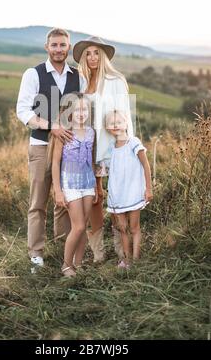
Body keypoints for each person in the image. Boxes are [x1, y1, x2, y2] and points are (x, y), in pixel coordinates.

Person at [16, 28, 85, 273]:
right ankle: (36, 254)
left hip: (71, 150)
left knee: (66, 200)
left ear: (69, 47)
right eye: (54, 45)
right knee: (38, 202)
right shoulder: (33, 74)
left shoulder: (79, 76)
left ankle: (63, 250)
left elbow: (86, 111)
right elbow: (23, 111)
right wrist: (50, 126)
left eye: (62, 45)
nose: (58, 49)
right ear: (47, 47)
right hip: (41, 146)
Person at [72, 36, 133, 262]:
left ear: (103, 55)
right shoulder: (81, 83)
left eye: (96, 52)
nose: (92, 57)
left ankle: (122, 252)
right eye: (88, 54)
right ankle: (98, 252)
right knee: (95, 200)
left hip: (112, 149)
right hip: (88, 150)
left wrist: (126, 148)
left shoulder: (115, 80)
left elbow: (125, 116)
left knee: (117, 199)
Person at [50, 93, 97, 277]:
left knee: (83, 228)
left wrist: (94, 187)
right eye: (77, 109)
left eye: (84, 109)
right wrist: (58, 191)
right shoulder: (64, 132)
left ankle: (78, 263)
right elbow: (55, 163)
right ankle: (66, 265)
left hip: (87, 183)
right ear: (69, 111)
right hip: (70, 184)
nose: (80, 113)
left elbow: (91, 161)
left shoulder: (91, 132)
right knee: (77, 227)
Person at [105, 109, 153, 267]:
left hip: (133, 193)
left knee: (134, 228)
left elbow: (146, 165)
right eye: (111, 123)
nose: (116, 125)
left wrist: (148, 188)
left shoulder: (133, 142)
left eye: (119, 122)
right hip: (117, 196)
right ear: (107, 127)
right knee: (122, 228)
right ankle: (127, 259)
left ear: (126, 123)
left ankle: (136, 259)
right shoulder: (111, 148)